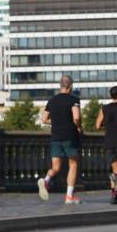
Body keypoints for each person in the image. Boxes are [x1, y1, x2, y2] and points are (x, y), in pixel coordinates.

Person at [38, 75, 83, 205]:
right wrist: (79, 126)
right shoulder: (73, 100)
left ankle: (46, 180)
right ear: (70, 86)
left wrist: (58, 121)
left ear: (61, 85)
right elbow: (76, 117)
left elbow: (44, 119)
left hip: (55, 137)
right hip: (70, 135)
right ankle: (69, 196)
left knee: (56, 167)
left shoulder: (52, 100)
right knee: (73, 164)